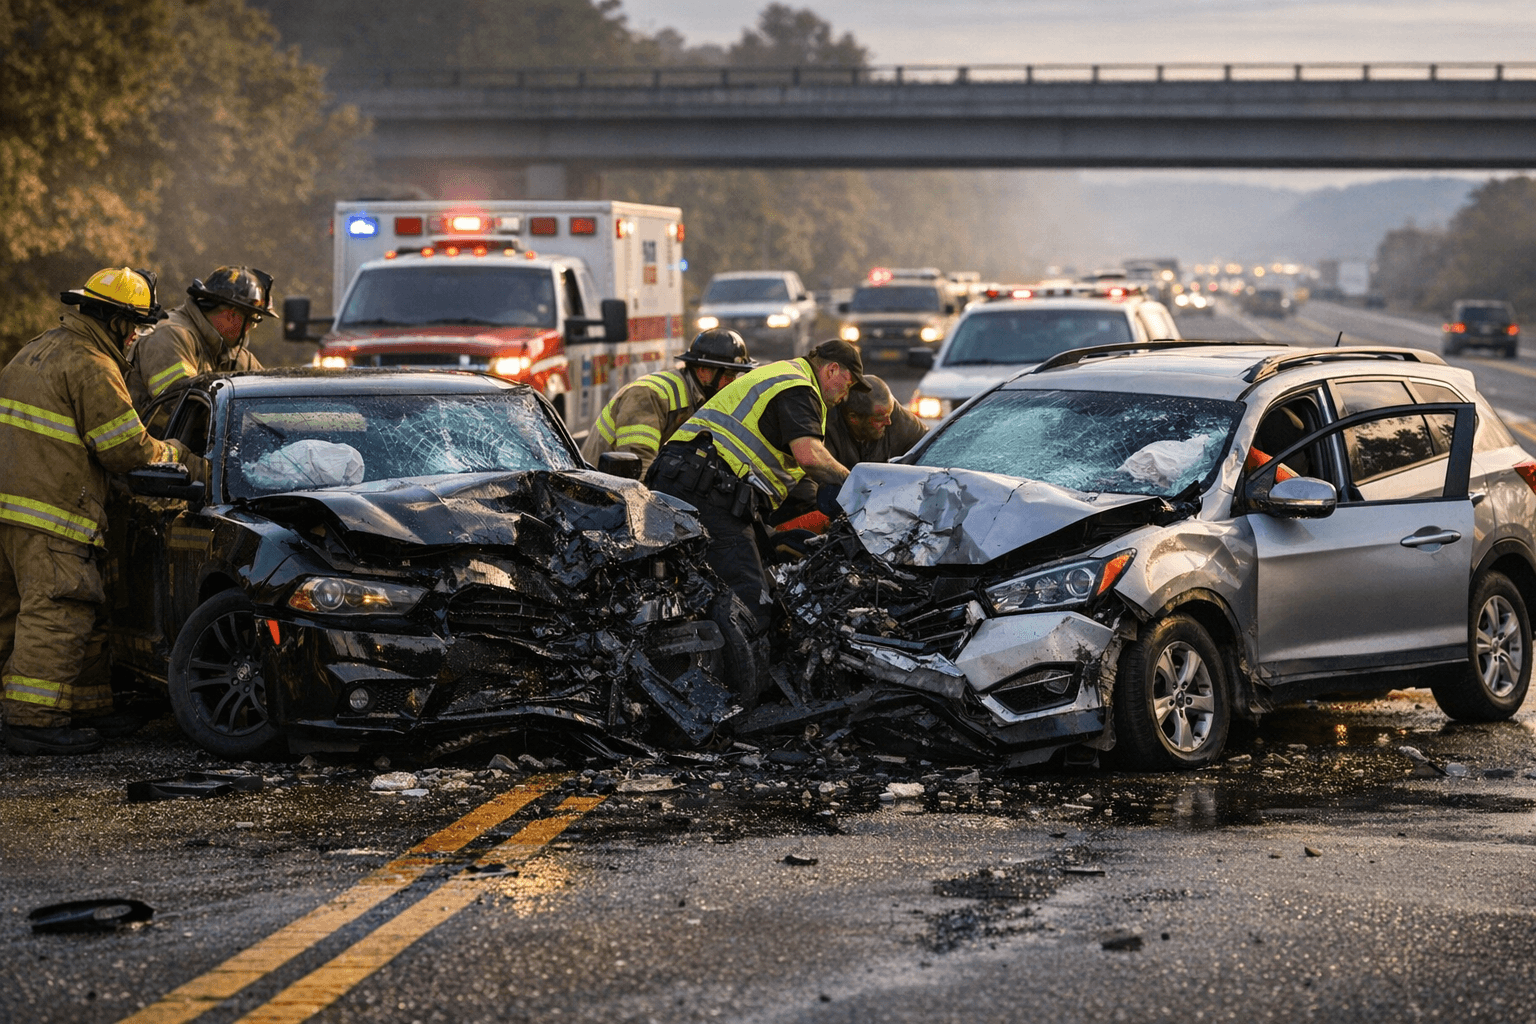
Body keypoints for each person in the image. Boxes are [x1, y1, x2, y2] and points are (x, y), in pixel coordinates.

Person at [0, 268, 192, 755]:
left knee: (49, 612)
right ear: (113, 320)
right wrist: (176, 455)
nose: (134, 338)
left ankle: (86, 707)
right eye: (134, 327)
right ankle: (33, 723)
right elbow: (125, 450)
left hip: (14, 510)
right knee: (58, 611)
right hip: (52, 511)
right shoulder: (91, 364)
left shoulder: (38, 347)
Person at [646, 339, 870, 632]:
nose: (845, 396)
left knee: (742, 580)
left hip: (691, 480)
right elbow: (809, 456)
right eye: (849, 384)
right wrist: (858, 484)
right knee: (752, 605)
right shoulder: (799, 386)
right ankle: (741, 677)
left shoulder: (782, 376)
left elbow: (793, 479)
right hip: (705, 487)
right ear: (832, 370)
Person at [581, 329, 755, 476]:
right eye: (728, 376)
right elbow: (637, 466)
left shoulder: (701, 401)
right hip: (597, 493)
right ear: (703, 371)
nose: (732, 383)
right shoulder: (648, 395)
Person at [776, 374, 928, 530]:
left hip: (877, 504)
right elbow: (804, 477)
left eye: (890, 413)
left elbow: (932, 451)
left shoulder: (899, 420)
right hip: (821, 504)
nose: (888, 422)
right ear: (853, 417)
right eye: (879, 418)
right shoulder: (823, 426)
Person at [126, 266, 272, 413]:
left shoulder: (234, 354)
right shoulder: (169, 336)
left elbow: (272, 397)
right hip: (155, 436)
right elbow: (184, 408)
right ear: (231, 315)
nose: (251, 328)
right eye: (252, 321)